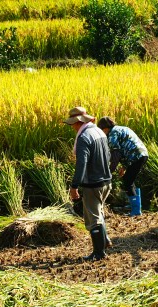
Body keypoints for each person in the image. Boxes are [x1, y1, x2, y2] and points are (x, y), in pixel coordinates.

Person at [64, 106, 112, 261]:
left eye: (72, 124)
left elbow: (81, 163)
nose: (72, 127)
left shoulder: (84, 137)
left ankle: (99, 253)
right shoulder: (98, 132)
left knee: (93, 219)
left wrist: (74, 186)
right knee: (99, 213)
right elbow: (108, 154)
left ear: (78, 122)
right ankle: (104, 242)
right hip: (106, 181)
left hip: (93, 184)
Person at [96, 117, 148, 209]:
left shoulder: (112, 134)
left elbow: (116, 154)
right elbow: (127, 146)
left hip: (135, 156)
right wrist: (124, 166)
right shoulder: (123, 128)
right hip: (142, 154)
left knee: (128, 181)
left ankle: (136, 209)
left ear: (104, 128)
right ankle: (134, 205)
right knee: (129, 179)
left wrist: (108, 173)